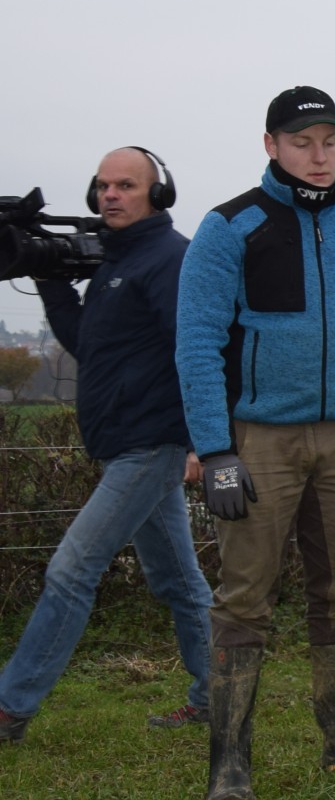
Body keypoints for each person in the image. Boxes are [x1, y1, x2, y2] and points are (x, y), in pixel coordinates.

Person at [175, 85, 335, 800]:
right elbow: (196, 343)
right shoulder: (231, 228)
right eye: (302, 143)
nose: (319, 157)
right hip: (260, 440)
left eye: (330, 141)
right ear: (271, 147)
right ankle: (230, 764)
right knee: (246, 599)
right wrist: (215, 448)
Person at [0, 148, 213, 743]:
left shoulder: (168, 259)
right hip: (124, 443)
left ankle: (10, 706)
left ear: (157, 194)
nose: (110, 195)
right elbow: (86, 342)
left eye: (125, 185)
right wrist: (49, 278)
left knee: (72, 569)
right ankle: (216, 694)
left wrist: (202, 441)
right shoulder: (118, 261)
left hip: (152, 443)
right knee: (178, 580)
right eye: (103, 186)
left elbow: (195, 350)